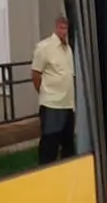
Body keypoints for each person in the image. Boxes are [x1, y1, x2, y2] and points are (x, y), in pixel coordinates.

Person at [31, 15, 75, 165]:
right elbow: (36, 74)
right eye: (61, 27)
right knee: (50, 142)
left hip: (68, 104)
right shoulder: (44, 47)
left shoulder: (68, 49)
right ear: (56, 27)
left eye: (66, 28)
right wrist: (45, 93)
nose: (64, 31)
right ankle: (45, 172)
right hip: (52, 104)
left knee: (68, 143)